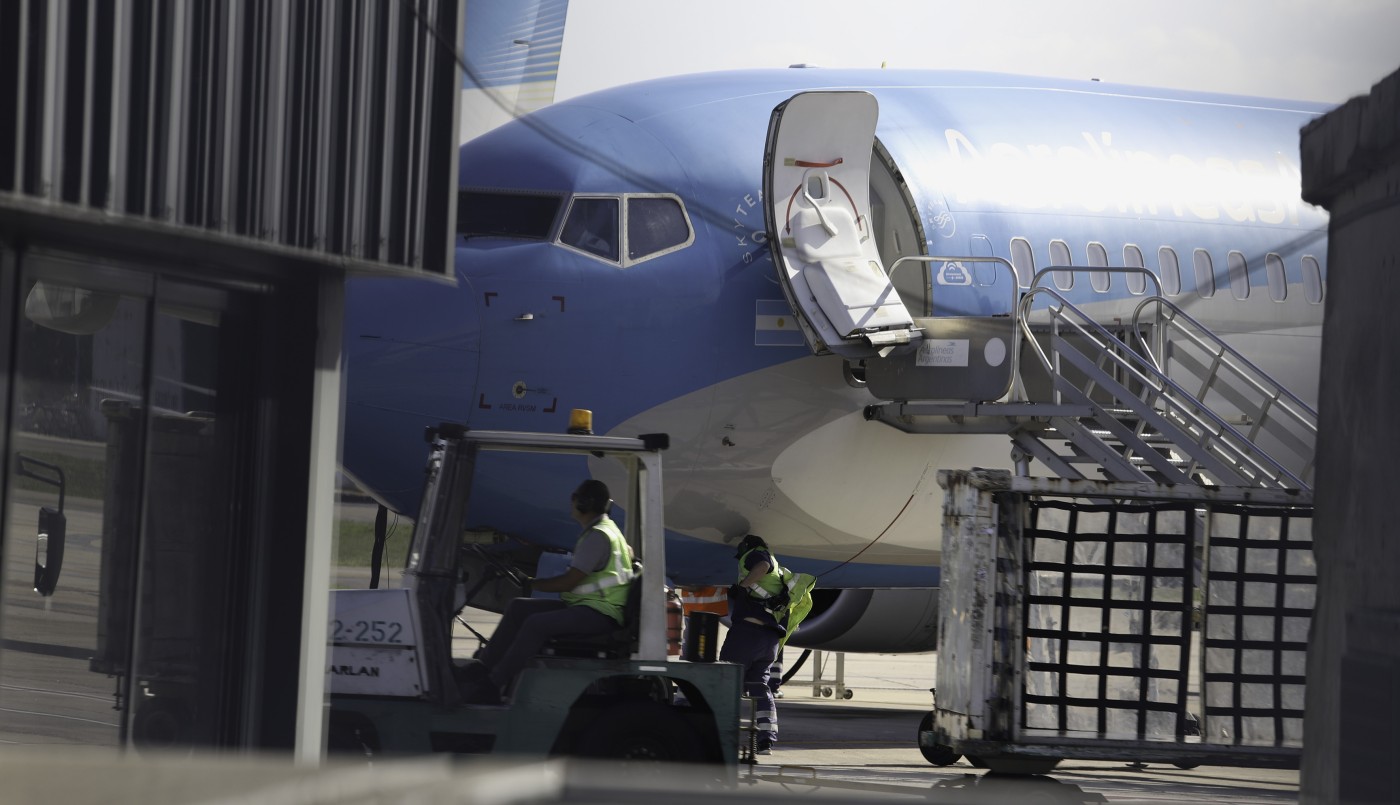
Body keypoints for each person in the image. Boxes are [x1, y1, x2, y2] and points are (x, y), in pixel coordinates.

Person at [461, 479, 635, 704]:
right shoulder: (607, 530)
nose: (572, 503)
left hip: (599, 614)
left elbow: (568, 582)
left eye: (574, 498)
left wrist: (532, 583)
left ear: (583, 503)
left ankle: (494, 685)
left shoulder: (597, 537)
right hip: (592, 607)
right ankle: (483, 668)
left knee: (536, 624)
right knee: (518, 607)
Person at [719, 534, 789, 755]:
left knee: (727, 682)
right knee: (760, 687)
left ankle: (722, 737)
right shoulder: (778, 572)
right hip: (769, 639)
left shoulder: (754, 554)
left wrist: (742, 586)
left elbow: (762, 565)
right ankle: (766, 740)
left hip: (747, 635)